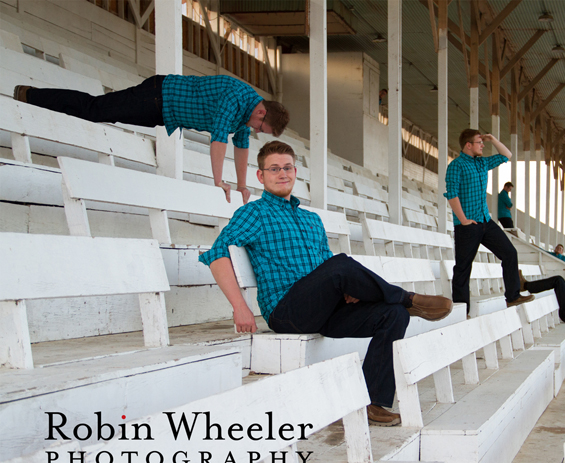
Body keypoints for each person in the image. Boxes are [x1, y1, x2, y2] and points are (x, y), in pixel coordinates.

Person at [200, 141, 453, 427]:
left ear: (295, 172)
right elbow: (217, 254)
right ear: (261, 176)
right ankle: (408, 298)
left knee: (392, 315)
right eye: (274, 169)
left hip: (325, 310)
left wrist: (350, 290)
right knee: (343, 266)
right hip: (287, 312)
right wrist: (239, 307)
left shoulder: (311, 220)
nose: (282, 174)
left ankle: (372, 402)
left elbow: (326, 267)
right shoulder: (253, 213)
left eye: (287, 168)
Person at [14, 75, 290, 204]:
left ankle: (33, 97)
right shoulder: (236, 95)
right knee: (95, 109)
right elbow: (218, 139)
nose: (256, 131)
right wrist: (218, 182)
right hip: (157, 96)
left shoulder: (246, 116)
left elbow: (241, 147)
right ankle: (30, 95)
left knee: (99, 112)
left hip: (163, 112)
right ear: (262, 112)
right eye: (260, 127)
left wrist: (242, 186)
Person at [444, 129, 533, 314]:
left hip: (486, 221)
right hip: (467, 225)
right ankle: (462, 310)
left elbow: (506, 155)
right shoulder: (456, 166)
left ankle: (513, 297)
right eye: (479, 142)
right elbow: (452, 194)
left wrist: (492, 138)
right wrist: (463, 220)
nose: (482, 145)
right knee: (463, 267)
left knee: (510, 253)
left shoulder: (483, 162)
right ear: (468, 145)